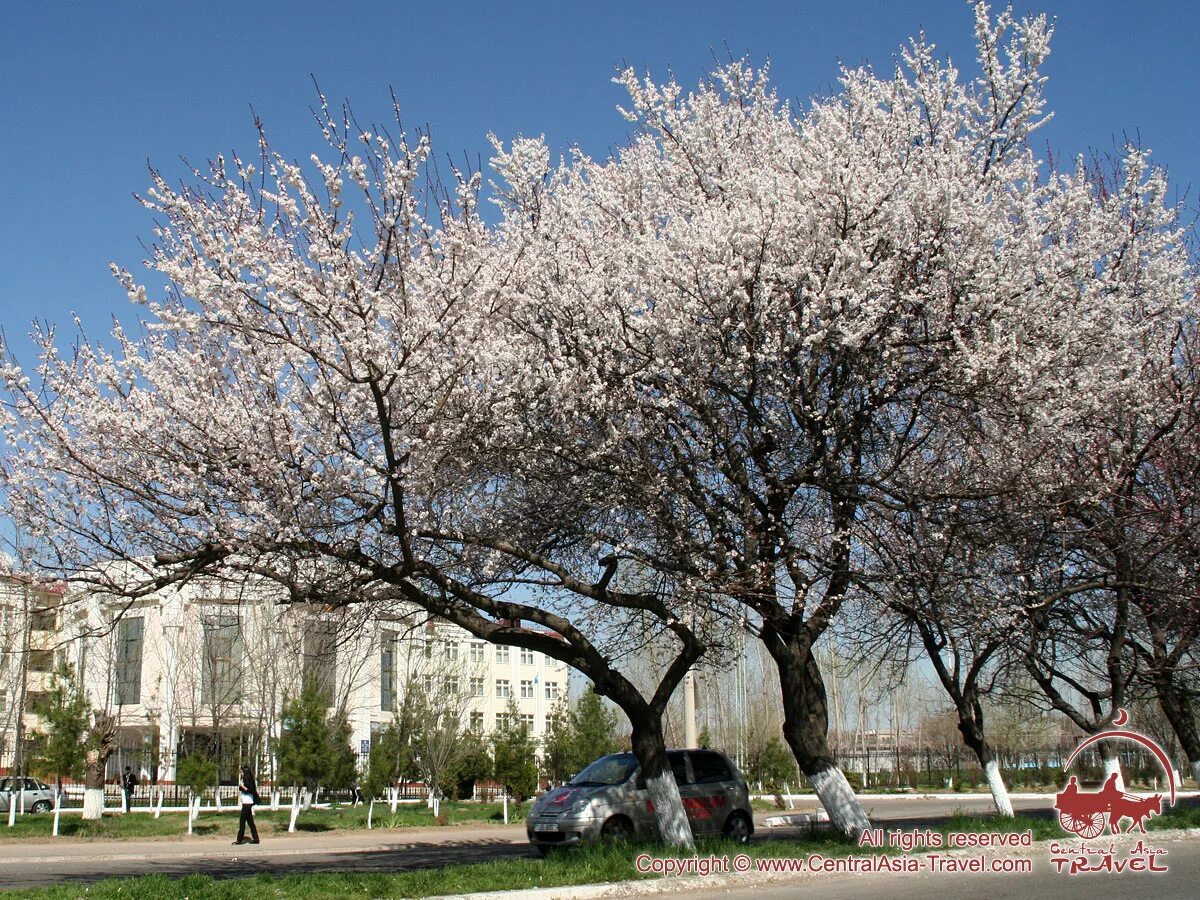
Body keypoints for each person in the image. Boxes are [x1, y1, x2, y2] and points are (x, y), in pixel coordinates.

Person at [234, 766, 261, 845]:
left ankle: (239, 840)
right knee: (250, 822)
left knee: (242, 822)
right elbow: (241, 789)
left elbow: (250, 790)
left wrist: (242, 787)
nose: (241, 773)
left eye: (242, 772)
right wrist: (242, 787)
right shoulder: (245, 780)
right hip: (246, 803)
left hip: (247, 803)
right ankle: (256, 839)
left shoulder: (249, 780)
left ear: (245, 772)